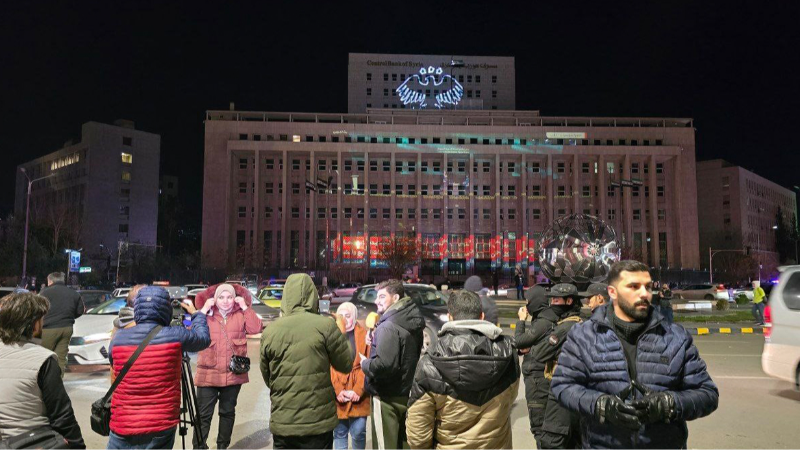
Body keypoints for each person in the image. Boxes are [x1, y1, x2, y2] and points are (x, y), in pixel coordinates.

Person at [551, 260, 719, 450]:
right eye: (633, 286)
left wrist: (668, 404)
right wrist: (601, 405)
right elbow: (562, 386)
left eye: (648, 287)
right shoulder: (584, 336)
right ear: (612, 292)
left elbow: (707, 394)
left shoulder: (675, 337)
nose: (644, 293)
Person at [407, 290, 520, 449]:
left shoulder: (430, 363)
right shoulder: (508, 354)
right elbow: (511, 397)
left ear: (450, 316)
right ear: (481, 316)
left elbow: (418, 435)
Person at [106, 286, 211, 450]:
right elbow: (203, 339)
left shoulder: (118, 338)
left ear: (137, 309)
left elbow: (114, 364)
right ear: (166, 309)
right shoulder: (175, 335)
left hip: (123, 423)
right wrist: (197, 314)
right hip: (161, 423)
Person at [260, 273, 352, 450]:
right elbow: (345, 364)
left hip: (284, 421)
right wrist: (341, 333)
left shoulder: (270, 331)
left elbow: (268, 377)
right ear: (313, 296)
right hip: (318, 423)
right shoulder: (326, 326)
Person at [0, 292, 85, 449]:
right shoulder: (43, 360)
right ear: (32, 324)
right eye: (41, 320)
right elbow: (62, 416)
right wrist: (77, 445)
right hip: (33, 441)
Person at [192, 283, 263, 450]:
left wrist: (245, 307)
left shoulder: (240, 314)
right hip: (208, 374)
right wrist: (203, 310)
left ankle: (222, 446)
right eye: (221, 297)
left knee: (227, 413)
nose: (225, 301)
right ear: (214, 299)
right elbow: (192, 331)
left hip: (233, 375)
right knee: (203, 416)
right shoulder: (207, 315)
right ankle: (199, 447)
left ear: (235, 299)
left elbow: (255, 328)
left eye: (229, 297)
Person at [362, 279, 424, 450]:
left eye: (382, 296)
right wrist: (376, 338)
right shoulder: (409, 318)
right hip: (405, 392)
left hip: (386, 396)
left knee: (384, 445)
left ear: (395, 298)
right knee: (402, 443)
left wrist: (365, 363)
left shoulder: (388, 326)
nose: (376, 301)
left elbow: (384, 365)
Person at [531, 283, 583, 450]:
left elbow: (538, 353)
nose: (552, 303)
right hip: (579, 391)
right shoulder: (583, 323)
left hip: (562, 391)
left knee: (551, 441)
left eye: (555, 299)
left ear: (569, 302)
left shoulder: (564, 328)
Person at [514, 285, 556, 437]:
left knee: (540, 429)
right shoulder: (545, 319)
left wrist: (521, 320)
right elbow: (527, 344)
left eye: (528, 301)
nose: (526, 305)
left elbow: (518, 341)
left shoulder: (542, 322)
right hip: (542, 378)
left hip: (538, 381)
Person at [330, 302, 370, 450]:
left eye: (348, 316)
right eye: (342, 316)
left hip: (359, 394)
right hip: (338, 394)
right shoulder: (331, 336)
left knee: (359, 433)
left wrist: (358, 390)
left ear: (355, 317)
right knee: (339, 433)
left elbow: (368, 364)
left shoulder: (365, 335)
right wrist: (338, 390)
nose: (345, 320)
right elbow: (329, 366)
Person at [39, 272, 85, 376]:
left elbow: (36, 310)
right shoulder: (74, 293)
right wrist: (68, 318)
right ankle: (57, 382)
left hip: (48, 328)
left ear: (50, 281)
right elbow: (80, 310)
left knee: (43, 355)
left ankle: (42, 382)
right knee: (61, 357)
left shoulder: (44, 293)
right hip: (67, 328)